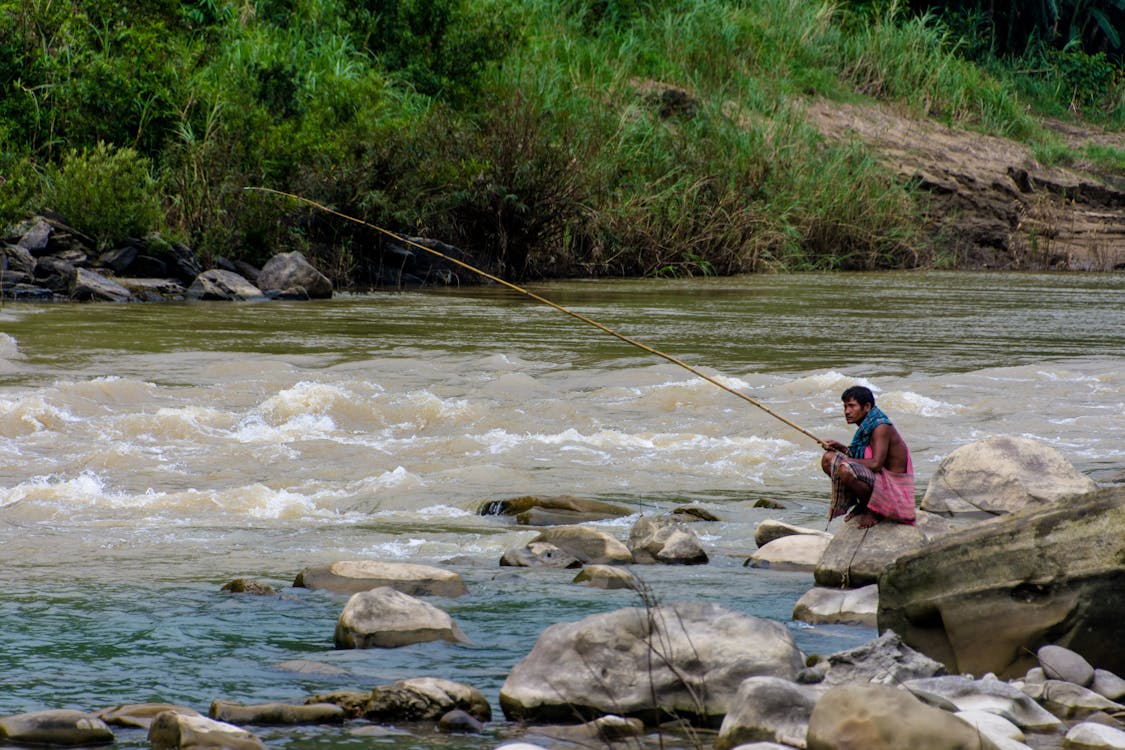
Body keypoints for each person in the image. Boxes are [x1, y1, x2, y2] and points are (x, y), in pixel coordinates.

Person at [820, 385, 915, 528]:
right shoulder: (868, 425)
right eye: (845, 406)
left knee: (846, 469)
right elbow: (864, 458)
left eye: (852, 406)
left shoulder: (880, 427)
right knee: (828, 459)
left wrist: (847, 461)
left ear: (867, 407)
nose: (847, 411)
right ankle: (863, 504)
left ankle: (873, 510)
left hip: (892, 487)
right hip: (879, 480)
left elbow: (876, 464)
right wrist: (840, 448)